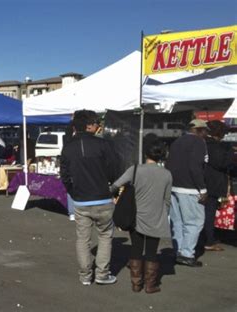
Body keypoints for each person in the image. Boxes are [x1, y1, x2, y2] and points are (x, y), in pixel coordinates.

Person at [60, 110, 118, 286]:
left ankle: (85, 275)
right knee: (105, 236)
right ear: (89, 125)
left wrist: (73, 192)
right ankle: (102, 274)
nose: (98, 126)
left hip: (81, 200)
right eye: (95, 123)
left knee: (83, 239)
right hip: (103, 198)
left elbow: (64, 175)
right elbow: (114, 170)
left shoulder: (68, 147)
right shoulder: (103, 145)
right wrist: (112, 189)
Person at [111, 139, 172, 294]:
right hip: (156, 218)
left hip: (136, 217)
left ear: (145, 153)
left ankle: (136, 284)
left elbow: (115, 185)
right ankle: (150, 285)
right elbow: (167, 200)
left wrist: (118, 196)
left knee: (136, 249)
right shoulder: (166, 174)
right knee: (152, 252)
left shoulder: (135, 170)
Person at [166, 119, 208, 267]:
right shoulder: (198, 142)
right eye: (205, 130)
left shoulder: (177, 142)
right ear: (199, 130)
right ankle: (186, 254)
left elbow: (169, 163)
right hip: (190, 188)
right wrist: (202, 189)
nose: (206, 134)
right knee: (194, 222)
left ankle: (178, 251)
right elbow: (195, 166)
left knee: (177, 221)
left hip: (174, 186)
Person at [201, 120, 233, 252]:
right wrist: (231, 153)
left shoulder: (203, 144)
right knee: (209, 213)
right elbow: (221, 163)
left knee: (204, 213)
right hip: (212, 183)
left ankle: (205, 238)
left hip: (204, 181)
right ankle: (208, 240)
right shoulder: (214, 146)